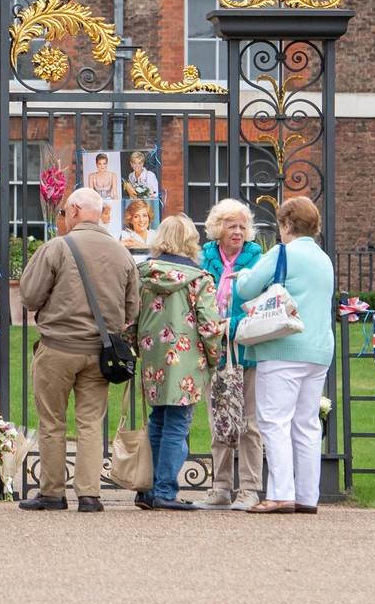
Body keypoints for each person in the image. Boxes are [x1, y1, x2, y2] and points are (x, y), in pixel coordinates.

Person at [17, 187, 140, 512]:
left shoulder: (56, 248)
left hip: (57, 347)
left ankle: (52, 493)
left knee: (53, 422)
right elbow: (132, 310)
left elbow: (29, 297)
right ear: (99, 213)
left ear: (72, 210)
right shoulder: (121, 253)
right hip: (99, 352)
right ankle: (89, 494)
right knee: (89, 423)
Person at [231, 195, 335, 515]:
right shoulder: (323, 258)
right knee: (306, 424)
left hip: (282, 347)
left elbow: (247, 289)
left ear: (287, 224)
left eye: (281, 224)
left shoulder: (281, 252)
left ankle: (280, 494)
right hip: (319, 349)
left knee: (274, 421)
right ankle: (307, 497)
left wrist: (241, 277)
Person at [134, 214, 225, 511]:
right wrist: (214, 359)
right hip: (185, 360)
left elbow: (130, 318)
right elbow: (210, 327)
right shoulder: (199, 280)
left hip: (152, 358)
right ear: (189, 241)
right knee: (177, 425)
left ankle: (150, 489)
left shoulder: (143, 274)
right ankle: (165, 490)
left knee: (158, 420)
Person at [196, 198, 265, 511]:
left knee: (249, 422)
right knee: (219, 420)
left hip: (246, 349)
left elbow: (265, 305)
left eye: (242, 226)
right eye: (230, 225)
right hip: (214, 350)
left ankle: (249, 488)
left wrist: (232, 324)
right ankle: (221, 487)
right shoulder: (203, 258)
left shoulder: (256, 258)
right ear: (217, 227)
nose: (237, 231)